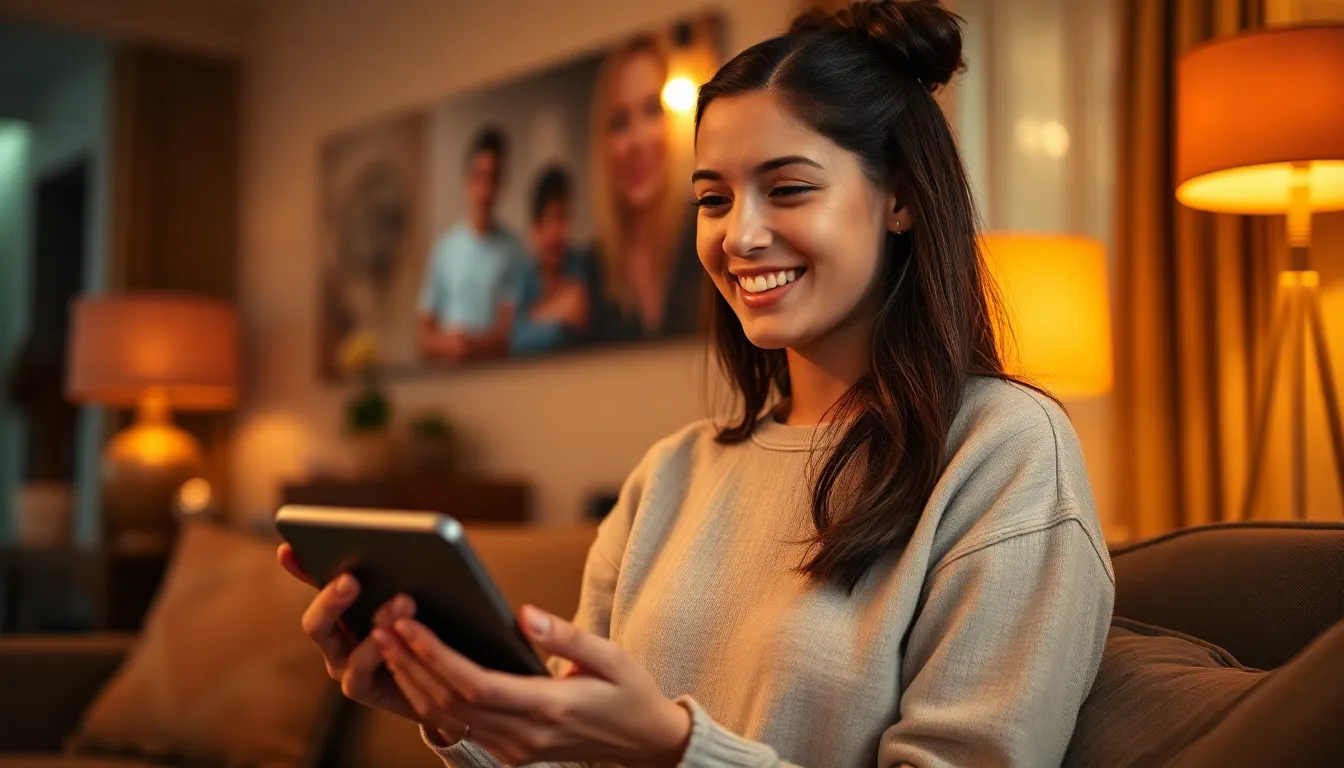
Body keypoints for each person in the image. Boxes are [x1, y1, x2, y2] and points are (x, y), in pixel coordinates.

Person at [281, 2, 1115, 766]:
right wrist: (465, 720)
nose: (740, 236)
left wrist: (677, 748)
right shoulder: (667, 478)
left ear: (899, 199)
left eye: (787, 189)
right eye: (712, 200)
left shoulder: (1002, 452)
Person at [585, 34, 705, 343]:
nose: (638, 141)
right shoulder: (590, 271)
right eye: (621, 122)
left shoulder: (711, 237)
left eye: (652, 110)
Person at [417, 125, 527, 364]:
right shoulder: (444, 248)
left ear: (501, 183)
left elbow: (507, 335)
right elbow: (424, 337)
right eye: (479, 176)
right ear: (467, 180)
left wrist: (469, 344)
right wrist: (450, 344)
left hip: (495, 377)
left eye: (493, 178)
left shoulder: (513, 250)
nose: (485, 190)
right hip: (448, 378)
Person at [510, 165, 592, 356]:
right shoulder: (524, 275)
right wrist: (556, 312)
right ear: (535, 229)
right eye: (549, 220)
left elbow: (582, 320)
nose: (556, 232)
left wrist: (535, 315)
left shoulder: (582, 265)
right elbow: (514, 339)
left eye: (562, 218)